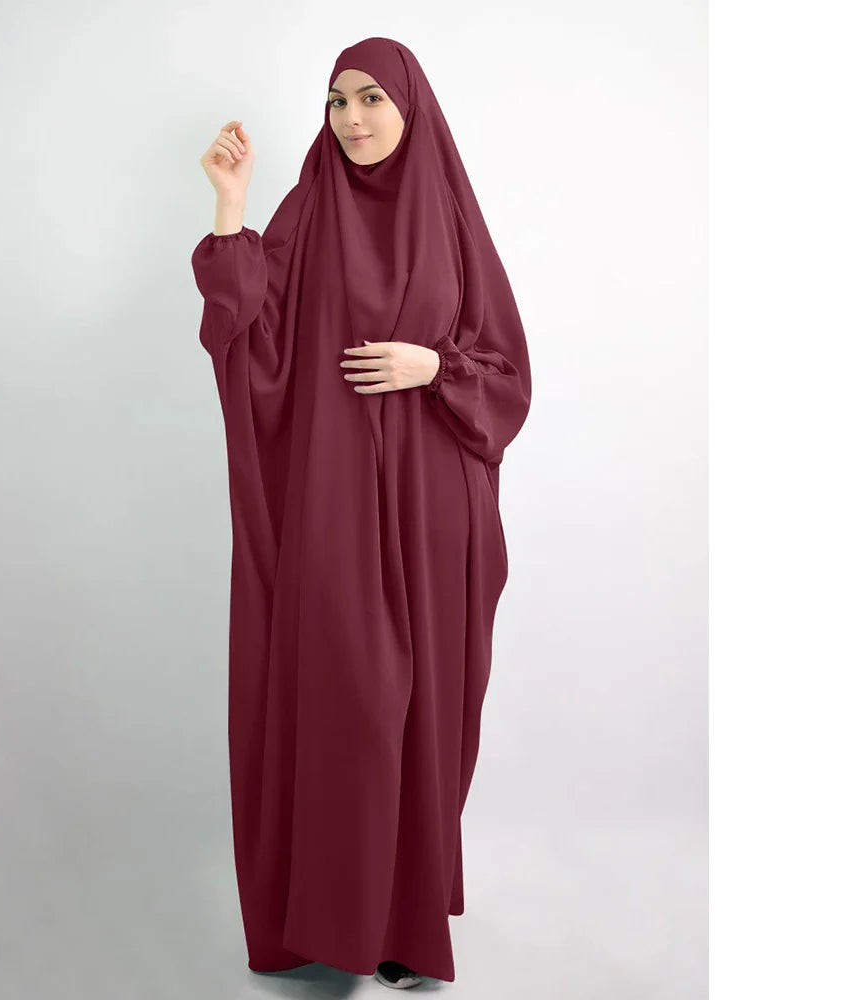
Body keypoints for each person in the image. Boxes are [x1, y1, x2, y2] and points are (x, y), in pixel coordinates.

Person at [190, 36, 532, 989]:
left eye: (372, 97)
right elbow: (247, 333)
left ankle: (401, 930)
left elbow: (509, 375)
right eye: (337, 99)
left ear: (411, 107)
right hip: (334, 506)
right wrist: (230, 206)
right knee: (353, 704)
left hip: (436, 510)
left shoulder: (453, 221)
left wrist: (435, 367)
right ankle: (332, 925)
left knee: (424, 718)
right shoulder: (308, 212)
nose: (352, 117)